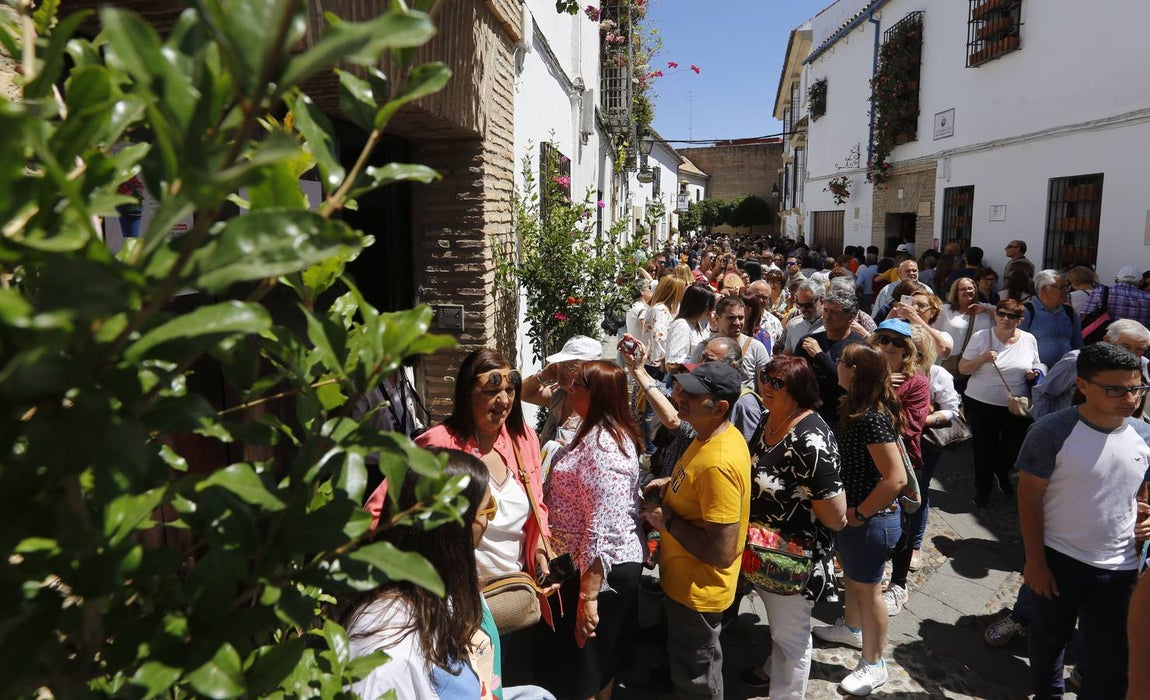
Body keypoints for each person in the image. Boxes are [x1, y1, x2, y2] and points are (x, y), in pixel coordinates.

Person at [365, 349, 556, 684]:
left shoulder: (522, 439)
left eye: (510, 390)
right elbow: (380, 509)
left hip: (509, 599)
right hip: (454, 606)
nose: (503, 400)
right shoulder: (439, 443)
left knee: (502, 682)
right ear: (467, 393)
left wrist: (541, 549)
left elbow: (537, 505)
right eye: (491, 391)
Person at [348, 450, 555, 700]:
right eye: (488, 510)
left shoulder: (443, 589)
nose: (490, 520)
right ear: (455, 526)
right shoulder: (388, 647)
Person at [1017, 343, 1150, 699]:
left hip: (1119, 567)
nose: (1130, 398)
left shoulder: (1144, 435)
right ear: (1083, 385)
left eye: (1137, 388)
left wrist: (1144, 516)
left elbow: (1139, 490)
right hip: (1059, 558)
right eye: (1115, 390)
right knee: (1049, 639)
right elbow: (1029, 498)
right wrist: (1035, 562)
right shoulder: (1051, 431)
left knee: (1109, 658)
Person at [639, 362, 751, 699]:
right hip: (684, 585)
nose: (680, 396)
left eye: (693, 394)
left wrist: (666, 520)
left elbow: (722, 552)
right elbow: (698, 487)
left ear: (719, 407)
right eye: (682, 388)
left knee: (697, 679)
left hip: (698, 593)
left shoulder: (718, 463)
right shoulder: (711, 435)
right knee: (686, 664)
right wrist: (671, 483)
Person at [739, 356, 847, 697]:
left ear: (799, 390)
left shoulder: (810, 439)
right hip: (761, 545)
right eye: (765, 377)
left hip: (792, 555)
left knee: (791, 637)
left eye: (778, 383)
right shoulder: (769, 418)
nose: (767, 386)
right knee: (780, 629)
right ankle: (773, 669)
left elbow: (835, 515)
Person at [538, 362, 644, 700]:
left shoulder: (604, 447)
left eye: (578, 385)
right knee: (596, 664)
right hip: (587, 566)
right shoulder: (593, 430)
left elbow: (603, 529)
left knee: (586, 667)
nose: (570, 387)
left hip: (599, 572)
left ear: (597, 395)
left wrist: (588, 598)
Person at [812, 343, 908, 696]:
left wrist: (860, 512)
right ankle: (852, 629)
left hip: (871, 521)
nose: (835, 365)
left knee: (869, 592)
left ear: (853, 371)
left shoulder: (871, 418)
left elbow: (895, 479)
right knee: (854, 581)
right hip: (855, 518)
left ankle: (874, 663)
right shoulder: (855, 407)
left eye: (840, 361)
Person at [867, 319, 930, 617]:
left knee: (902, 526)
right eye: (884, 339)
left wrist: (884, 393)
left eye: (897, 342)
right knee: (869, 520)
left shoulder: (917, 382)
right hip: (866, 460)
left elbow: (910, 427)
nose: (889, 346)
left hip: (902, 464)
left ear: (908, 350)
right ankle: (873, 573)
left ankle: (899, 584)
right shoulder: (866, 374)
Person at [959, 299, 1045, 507]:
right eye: (1001, 314)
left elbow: (1037, 362)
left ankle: (1002, 469)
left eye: (1012, 316)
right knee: (984, 447)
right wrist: (982, 359)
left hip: (1015, 403)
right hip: (982, 401)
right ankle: (983, 489)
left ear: (1020, 320)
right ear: (995, 315)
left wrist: (1035, 372)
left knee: (1014, 446)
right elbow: (963, 368)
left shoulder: (1028, 339)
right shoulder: (982, 337)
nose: (1005, 319)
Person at [1031, 319, 1150, 419]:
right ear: (1107, 340)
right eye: (1126, 347)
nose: (1133, 354)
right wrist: (1045, 427)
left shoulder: (1141, 363)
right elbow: (1043, 393)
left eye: (1140, 349)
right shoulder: (1077, 360)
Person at [794, 289, 868, 429]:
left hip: (842, 421)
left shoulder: (859, 348)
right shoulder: (808, 342)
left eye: (834, 312)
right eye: (826, 310)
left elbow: (846, 384)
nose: (827, 316)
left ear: (850, 318)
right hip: (809, 417)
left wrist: (819, 356)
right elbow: (795, 379)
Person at [522, 336, 604, 445]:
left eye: (569, 367)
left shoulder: (599, 409)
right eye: (561, 364)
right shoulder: (559, 396)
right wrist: (541, 376)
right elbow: (521, 393)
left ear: (589, 371)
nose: (561, 370)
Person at [698, 296, 771, 388]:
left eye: (741, 318)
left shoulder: (756, 348)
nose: (737, 323)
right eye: (731, 318)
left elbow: (764, 388)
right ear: (717, 318)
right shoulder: (703, 349)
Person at [1021, 269, 1082, 369]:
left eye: (1067, 286)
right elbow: (1017, 346)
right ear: (1043, 289)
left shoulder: (1069, 312)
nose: (1067, 290)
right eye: (1061, 287)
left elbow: (1078, 344)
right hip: (1036, 372)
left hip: (1065, 371)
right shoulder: (1027, 312)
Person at [640, 276, 687, 377]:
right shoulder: (661, 311)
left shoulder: (657, 307)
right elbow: (659, 337)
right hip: (657, 365)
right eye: (681, 290)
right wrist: (663, 364)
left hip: (651, 361)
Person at [664, 284, 715, 376]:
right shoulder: (682, 325)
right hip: (681, 380)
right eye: (709, 305)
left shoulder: (697, 324)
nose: (711, 309)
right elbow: (672, 365)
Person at [1080, 265, 1150, 327]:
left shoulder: (1099, 292)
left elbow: (1084, 317)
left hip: (1102, 336)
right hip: (1135, 337)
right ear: (1141, 282)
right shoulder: (1147, 298)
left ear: (1116, 280)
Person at [781, 280, 826, 355]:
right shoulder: (793, 326)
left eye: (807, 305)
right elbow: (787, 356)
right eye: (800, 305)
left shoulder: (833, 327)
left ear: (821, 299)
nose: (803, 309)